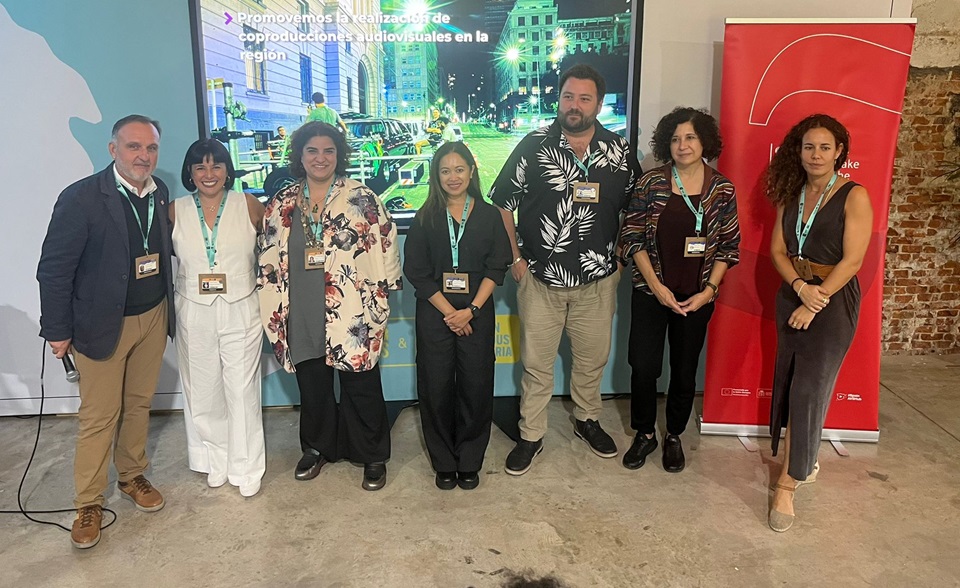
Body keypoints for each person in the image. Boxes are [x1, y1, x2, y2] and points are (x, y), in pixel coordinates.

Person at [488, 63, 640, 475]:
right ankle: (531, 435)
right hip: (540, 279)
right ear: (559, 99)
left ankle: (587, 420)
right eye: (568, 96)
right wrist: (516, 258)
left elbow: (636, 207)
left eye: (584, 98)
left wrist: (620, 257)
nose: (574, 105)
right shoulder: (533, 145)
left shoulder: (619, 151)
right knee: (536, 366)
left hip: (598, 280)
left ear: (599, 104)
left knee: (591, 361)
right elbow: (502, 202)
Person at [37, 115, 175, 549]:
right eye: (134, 146)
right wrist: (57, 329)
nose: (143, 156)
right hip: (101, 323)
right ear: (113, 149)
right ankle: (89, 503)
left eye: (151, 148)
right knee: (99, 417)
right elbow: (54, 269)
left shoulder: (159, 191)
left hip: (152, 315)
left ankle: (132, 475)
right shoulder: (81, 198)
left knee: (138, 404)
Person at [257, 121, 402, 491]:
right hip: (300, 308)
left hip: (351, 306)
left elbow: (386, 242)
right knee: (313, 385)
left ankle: (371, 454)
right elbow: (266, 254)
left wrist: (384, 293)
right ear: (300, 155)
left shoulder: (362, 197)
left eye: (328, 150)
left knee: (361, 383)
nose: (320, 158)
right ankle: (317, 447)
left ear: (339, 155)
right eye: (312, 150)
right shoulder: (281, 202)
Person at [764, 114, 872, 532]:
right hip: (793, 293)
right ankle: (805, 460)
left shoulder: (854, 195)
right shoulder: (790, 193)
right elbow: (777, 251)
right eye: (809, 147)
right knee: (793, 381)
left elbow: (853, 260)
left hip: (832, 299)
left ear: (839, 152)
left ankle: (787, 484)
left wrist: (815, 300)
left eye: (825, 147)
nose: (816, 155)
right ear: (798, 150)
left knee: (809, 388)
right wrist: (798, 286)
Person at [619, 107, 740, 473]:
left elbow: (729, 246)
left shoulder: (722, 189)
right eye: (675, 139)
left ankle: (673, 434)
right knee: (643, 366)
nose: (682, 145)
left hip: (697, 297)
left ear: (704, 142)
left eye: (690, 137)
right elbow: (632, 238)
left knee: (684, 370)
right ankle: (644, 433)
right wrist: (656, 287)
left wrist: (709, 291)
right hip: (651, 293)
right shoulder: (650, 183)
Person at [403, 142, 511, 490]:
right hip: (436, 313)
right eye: (445, 170)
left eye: (459, 169)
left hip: (477, 311)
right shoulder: (425, 216)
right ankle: (444, 462)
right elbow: (417, 272)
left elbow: (497, 267)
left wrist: (471, 311)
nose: (453, 177)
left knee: (476, 386)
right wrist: (452, 313)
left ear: (471, 171)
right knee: (435, 387)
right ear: (436, 176)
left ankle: (469, 460)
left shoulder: (490, 216)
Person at [170, 139, 266, 497]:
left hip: (241, 305)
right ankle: (215, 458)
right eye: (200, 167)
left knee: (242, 389)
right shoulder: (175, 210)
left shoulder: (249, 205)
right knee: (203, 389)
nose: (208, 174)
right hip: (193, 309)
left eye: (216, 166)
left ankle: (247, 465)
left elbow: (273, 251)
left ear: (228, 170)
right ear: (190, 173)